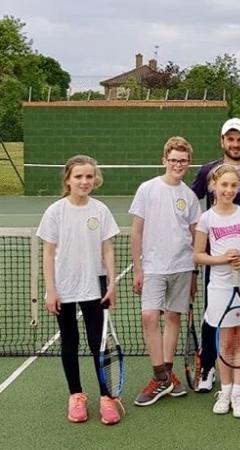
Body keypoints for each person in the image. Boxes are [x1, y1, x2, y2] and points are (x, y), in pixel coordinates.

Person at [37, 155, 122, 425]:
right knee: (70, 343)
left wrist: (112, 283)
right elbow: (48, 253)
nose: (85, 181)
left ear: (94, 179)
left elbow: (107, 249)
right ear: (68, 180)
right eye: (79, 177)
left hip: (94, 287)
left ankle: (106, 398)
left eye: (89, 177)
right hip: (64, 287)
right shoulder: (55, 211)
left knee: (99, 344)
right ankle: (76, 395)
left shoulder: (100, 210)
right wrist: (51, 290)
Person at [191, 117, 240, 391]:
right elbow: (192, 202)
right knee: (214, 312)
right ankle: (209, 366)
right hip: (217, 260)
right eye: (230, 139)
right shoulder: (207, 171)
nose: (235, 144)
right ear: (222, 141)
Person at [130, 136, 201, 407]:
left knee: (173, 319)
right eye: (173, 160)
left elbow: (196, 238)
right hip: (153, 268)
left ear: (189, 163)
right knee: (149, 317)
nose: (178, 164)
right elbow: (136, 232)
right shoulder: (147, 190)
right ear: (164, 160)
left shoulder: (190, 197)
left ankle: (165, 377)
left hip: (183, 267)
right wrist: (138, 268)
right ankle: (162, 376)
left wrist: (194, 273)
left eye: (182, 161)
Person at [194, 164, 240, 418]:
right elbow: (199, 255)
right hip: (221, 286)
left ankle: (238, 391)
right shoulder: (207, 219)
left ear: (239, 187)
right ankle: (224, 391)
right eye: (224, 185)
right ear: (214, 185)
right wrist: (222, 259)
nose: (228, 189)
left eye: (233, 185)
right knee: (225, 339)